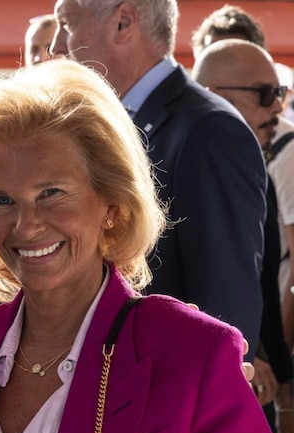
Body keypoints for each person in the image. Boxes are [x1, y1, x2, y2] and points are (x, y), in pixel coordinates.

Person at [0, 58, 270, 433]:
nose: (26, 226)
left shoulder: (194, 350)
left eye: (51, 193)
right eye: (1, 199)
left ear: (112, 204)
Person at [50, 0, 267, 360]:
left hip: (167, 397)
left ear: (123, 22)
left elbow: (226, 305)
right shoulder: (114, 123)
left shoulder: (208, 129)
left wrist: (197, 408)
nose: (56, 45)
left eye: (67, 24)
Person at [192, 38, 293, 433]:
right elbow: (216, 277)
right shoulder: (193, 167)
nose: (277, 108)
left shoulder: (257, 166)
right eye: (265, 94)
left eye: (281, 93)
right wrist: (247, 357)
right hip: (222, 381)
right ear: (216, 97)